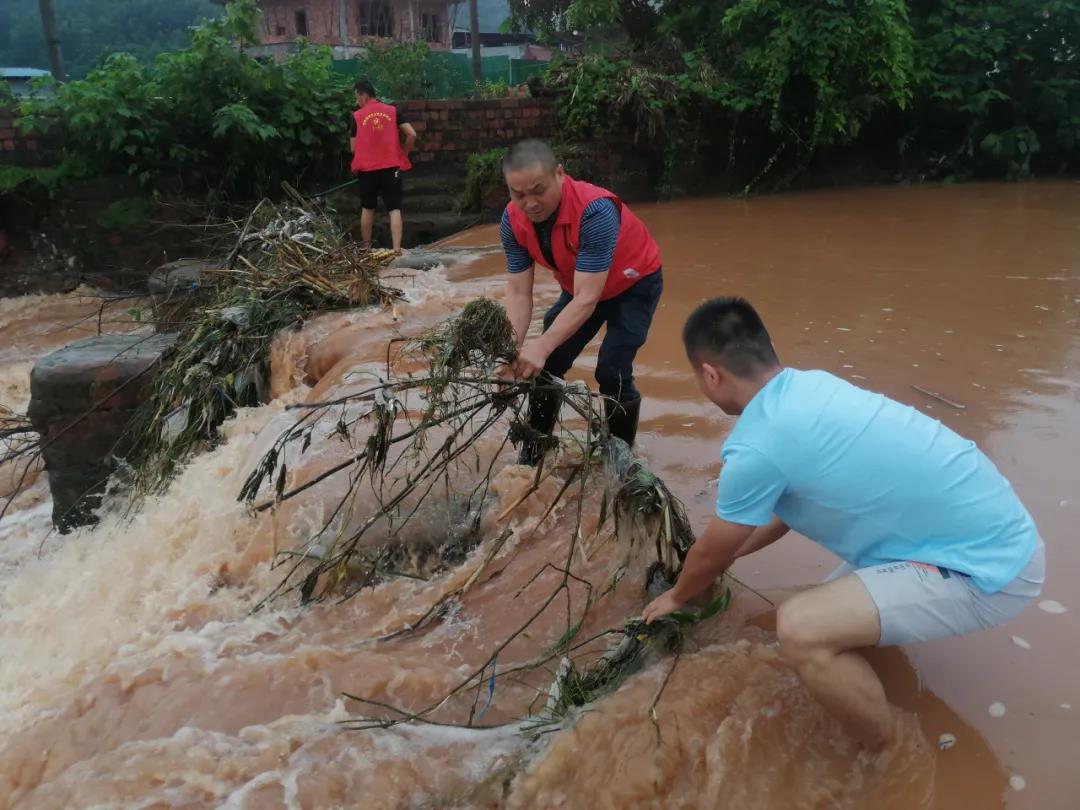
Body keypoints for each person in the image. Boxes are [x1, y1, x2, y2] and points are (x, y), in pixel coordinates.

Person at [643, 297, 1044, 752]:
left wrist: (678, 593)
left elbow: (714, 551)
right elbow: (780, 514)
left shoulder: (757, 445)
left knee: (800, 628)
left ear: (710, 373)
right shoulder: (810, 387)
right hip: (992, 526)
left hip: (990, 569)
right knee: (798, 618)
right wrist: (709, 562)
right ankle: (864, 670)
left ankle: (888, 752)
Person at [499, 139, 663, 464]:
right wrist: (510, 352)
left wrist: (540, 346)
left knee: (612, 369)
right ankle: (534, 451)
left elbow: (588, 299)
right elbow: (519, 293)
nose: (530, 203)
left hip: (634, 284)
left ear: (560, 174)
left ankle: (619, 456)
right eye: (519, 195)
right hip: (583, 286)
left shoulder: (595, 210)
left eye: (538, 190)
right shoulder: (512, 222)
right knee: (547, 363)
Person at [348, 79, 417, 254]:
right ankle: (396, 250)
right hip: (391, 167)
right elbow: (411, 134)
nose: (357, 102)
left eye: (357, 97)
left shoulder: (357, 116)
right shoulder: (392, 111)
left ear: (364, 95)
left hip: (367, 170)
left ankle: (366, 249)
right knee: (394, 208)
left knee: (367, 208)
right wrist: (404, 153)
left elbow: (353, 148)